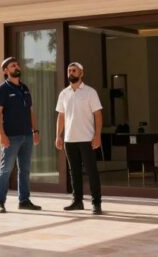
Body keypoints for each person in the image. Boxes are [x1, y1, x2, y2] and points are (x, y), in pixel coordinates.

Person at [0, 57, 41, 213]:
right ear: (6, 71)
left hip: (27, 135)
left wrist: (35, 131)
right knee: (6, 169)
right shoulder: (2, 90)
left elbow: (31, 111)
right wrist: (1, 134)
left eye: (17, 64)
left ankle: (24, 200)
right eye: (13, 65)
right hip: (11, 137)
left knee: (25, 170)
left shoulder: (25, 88)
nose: (16, 67)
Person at [55, 62, 103, 214]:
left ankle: (96, 203)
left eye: (74, 70)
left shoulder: (90, 92)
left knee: (91, 171)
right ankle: (77, 201)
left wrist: (97, 135)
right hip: (70, 140)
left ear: (81, 73)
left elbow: (98, 115)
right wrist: (58, 135)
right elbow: (61, 116)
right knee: (74, 172)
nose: (71, 72)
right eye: (69, 70)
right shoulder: (64, 93)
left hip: (87, 139)